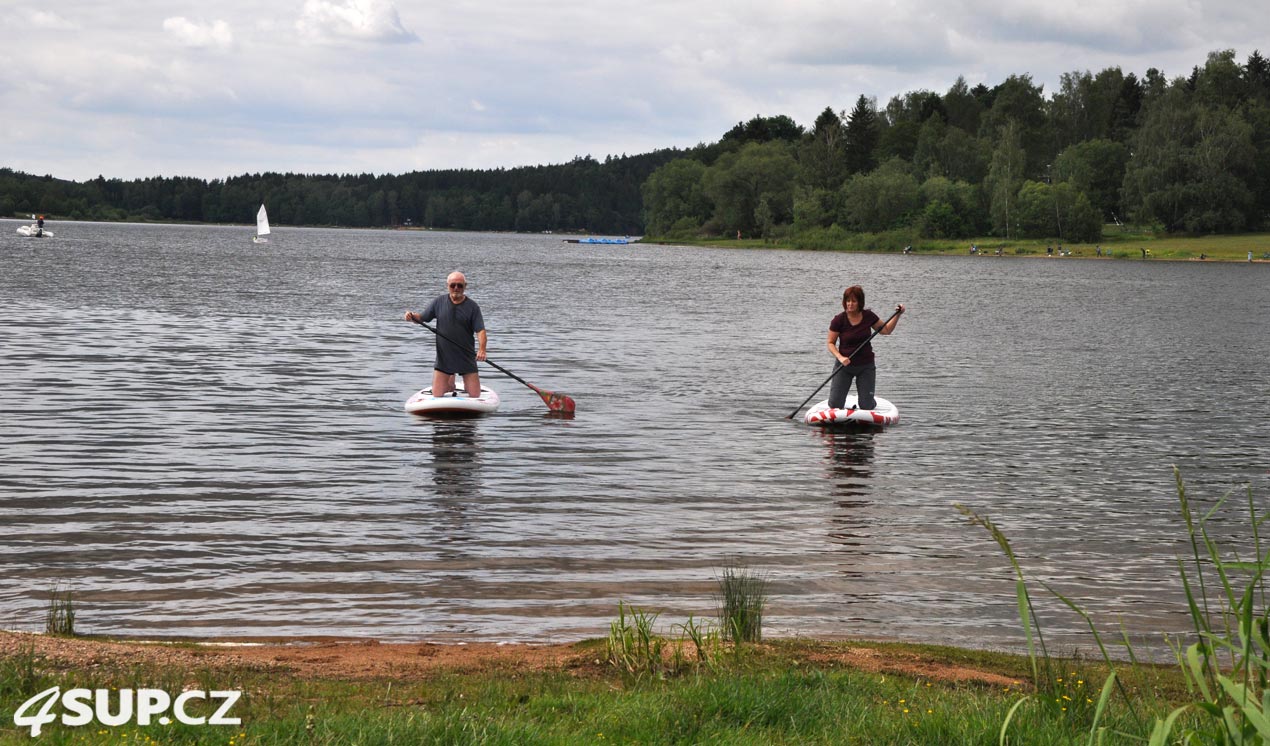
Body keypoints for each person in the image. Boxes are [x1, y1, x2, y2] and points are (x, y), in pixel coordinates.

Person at [403, 271, 487, 398]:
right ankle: (449, 383)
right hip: (444, 358)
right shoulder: (438, 302)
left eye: (460, 285)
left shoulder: (473, 307)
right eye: (453, 285)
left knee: (475, 395)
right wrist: (412, 316)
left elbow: (481, 331)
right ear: (447, 286)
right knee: (437, 394)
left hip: (466, 356)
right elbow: (423, 318)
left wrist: (482, 350)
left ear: (465, 286)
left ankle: (457, 380)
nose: (456, 288)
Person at [826, 285, 904, 411]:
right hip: (844, 366)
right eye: (848, 301)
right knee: (835, 405)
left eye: (854, 301)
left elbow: (886, 330)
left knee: (866, 406)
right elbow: (830, 343)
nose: (850, 304)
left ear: (859, 303)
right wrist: (840, 357)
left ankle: (869, 399)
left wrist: (898, 315)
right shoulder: (838, 320)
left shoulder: (868, 316)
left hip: (865, 366)